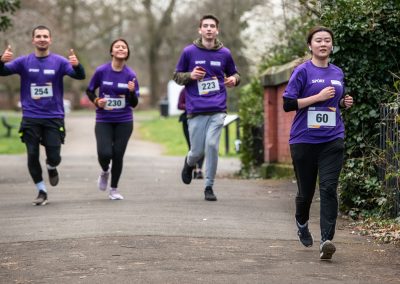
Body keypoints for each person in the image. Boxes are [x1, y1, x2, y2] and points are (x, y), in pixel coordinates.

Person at [283, 26, 354, 260]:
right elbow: (288, 104)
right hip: (304, 139)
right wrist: (317, 98)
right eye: (318, 40)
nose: (323, 44)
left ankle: (326, 241)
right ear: (310, 45)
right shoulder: (302, 71)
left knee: (328, 188)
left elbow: (334, 100)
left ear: (332, 46)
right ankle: (301, 223)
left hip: (332, 138)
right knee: (306, 192)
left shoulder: (338, 72)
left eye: (327, 40)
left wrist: (343, 102)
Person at [0, 25, 85, 206]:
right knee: (32, 154)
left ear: (50, 40)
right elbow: (2, 71)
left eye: (45, 36)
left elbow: (80, 76)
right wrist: (1, 61)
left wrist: (78, 66)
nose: (42, 39)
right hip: (31, 116)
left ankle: (51, 166)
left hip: (53, 116)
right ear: (33, 40)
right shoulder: (24, 62)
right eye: (38, 36)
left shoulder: (60, 62)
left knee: (54, 155)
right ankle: (41, 190)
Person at [173, 14, 240, 201]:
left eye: (212, 26)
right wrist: (190, 76)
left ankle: (209, 186)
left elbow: (235, 73)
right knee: (197, 151)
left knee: (211, 146)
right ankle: (189, 163)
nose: (209, 29)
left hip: (218, 108)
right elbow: (176, 76)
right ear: (200, 30)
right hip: (195, 109)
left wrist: (234, 79)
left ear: (217, 30)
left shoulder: (225, 53)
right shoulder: (189, 52)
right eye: (205, 26)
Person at [85, 38, 139, 200]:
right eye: (117, 47)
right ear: (112, 51)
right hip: (104, 119)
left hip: (124, 120)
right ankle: (104, 171)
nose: (121, 49)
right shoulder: (102, 71)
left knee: (118, 155)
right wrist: (96, 101)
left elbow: (134, 103)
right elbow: (89, 91)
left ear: (127, 52)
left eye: (124, 47)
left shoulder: (130, 75)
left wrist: (130, 92)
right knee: (104, 152)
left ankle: (114, 189)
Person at [177, 87, 204, 179]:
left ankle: (199, 170)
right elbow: (179, 105)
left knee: (201, 146)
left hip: (201, 119)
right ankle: (192, 168)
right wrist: (190, 105)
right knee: (192, 146)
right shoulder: (184, 91)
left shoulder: (202, 89)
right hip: (187, 119)